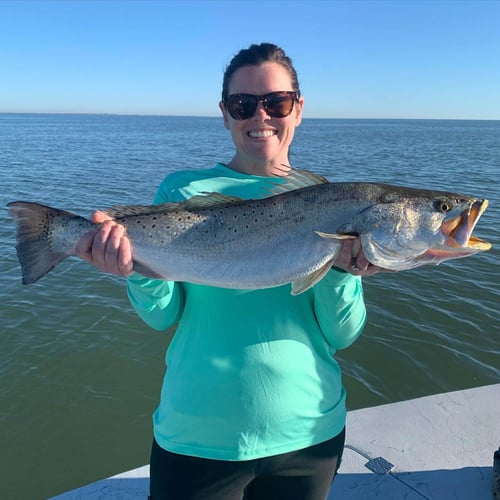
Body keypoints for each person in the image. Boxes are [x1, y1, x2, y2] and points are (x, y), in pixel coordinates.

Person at [76, 42, 383, 500]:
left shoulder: (332, 203)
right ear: (225, 113)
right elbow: (162, 316)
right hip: (196, 435)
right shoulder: (183, 189)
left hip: (310, 435)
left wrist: (342, 271)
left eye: (276, 102)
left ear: (298, 109)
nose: (261, 117)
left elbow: (341, 335)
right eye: (244, 105)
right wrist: (134, 269)